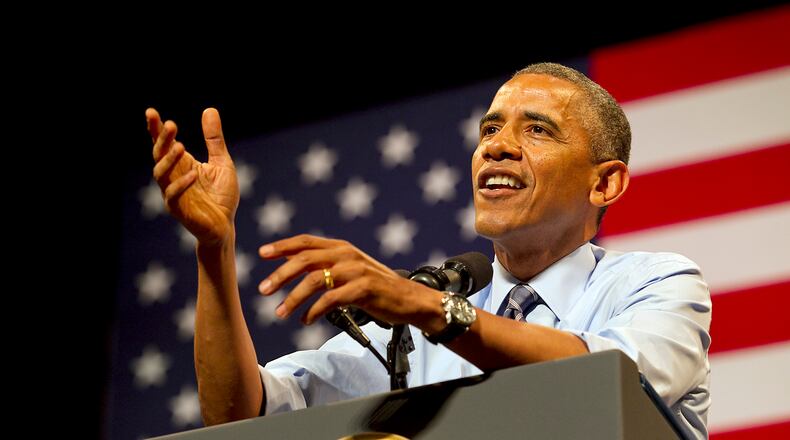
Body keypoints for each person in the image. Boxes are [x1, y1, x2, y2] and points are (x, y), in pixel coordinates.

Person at [146, 63, 711, 438]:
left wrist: (432, 311)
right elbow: (242, 413)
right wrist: (215, 251)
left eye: (536, 131)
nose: (498, 148)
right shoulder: (411, 335)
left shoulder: (655, 284)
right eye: (490, 129)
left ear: (605, 184)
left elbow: (606, 380)